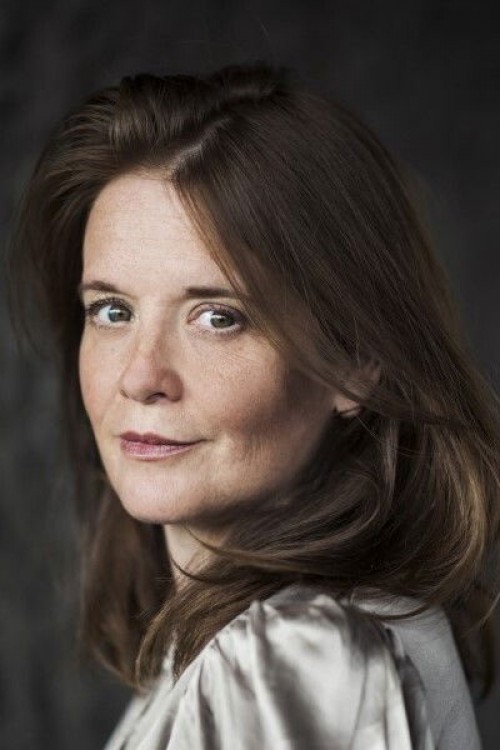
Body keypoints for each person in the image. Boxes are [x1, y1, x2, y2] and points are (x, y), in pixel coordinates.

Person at [9, 61, 500, 749]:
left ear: (356, 360)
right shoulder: (308, 635)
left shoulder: (288, 656)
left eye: (218, 317)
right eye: (112, 310)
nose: (142, 376)